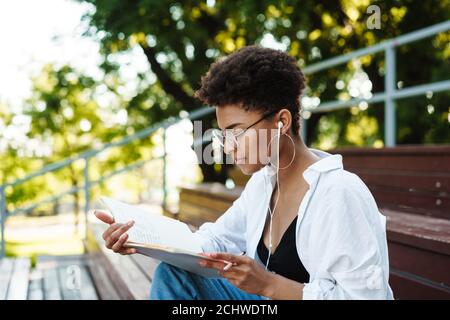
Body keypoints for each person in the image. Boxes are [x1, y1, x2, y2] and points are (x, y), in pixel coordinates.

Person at [94, 46, 394, 300]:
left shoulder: (338, 192)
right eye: (224, 136)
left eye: (236, 132)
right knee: (173, 274)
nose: (228, 147)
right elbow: (216, 241)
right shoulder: (264, 184)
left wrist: (269, 284)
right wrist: (142, 239)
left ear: (282, 122)